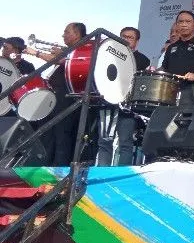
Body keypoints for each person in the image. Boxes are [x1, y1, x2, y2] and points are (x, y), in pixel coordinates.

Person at [23, 22, 86, 165]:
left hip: (65, 96)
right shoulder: (69, 51)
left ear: (77, 34)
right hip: (54, 94)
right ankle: (45, 164)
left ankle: (59, 167)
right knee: (47, 132)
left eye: (67, 32)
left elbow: (62, 61)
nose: (63, 35)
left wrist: (36, 53)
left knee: (61, 134)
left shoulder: (80, 50)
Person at [96, 27, 151, 166]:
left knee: (125, 143)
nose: (126, 39)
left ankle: (122, 174)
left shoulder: (142, 59)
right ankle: (102, 173)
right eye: (123, 36)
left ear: (137, 42)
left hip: (127, 106)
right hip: (108, 102)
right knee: (104, 141)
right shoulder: (108, 53)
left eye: (130, 37)